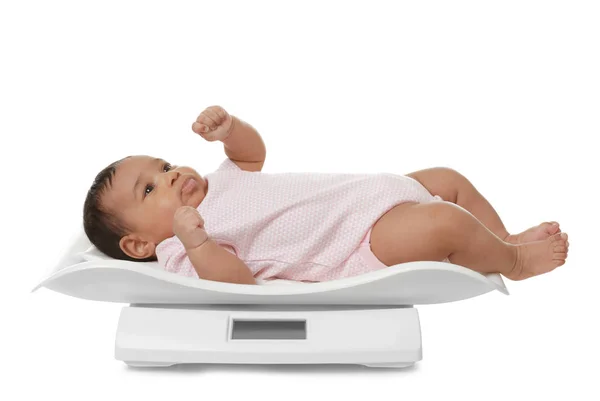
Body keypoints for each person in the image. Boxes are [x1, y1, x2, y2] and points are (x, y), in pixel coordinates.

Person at [83, 106, 569, 285]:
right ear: (138, 244)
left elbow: (252, 156)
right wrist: (196, 242)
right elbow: (234, 281)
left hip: (367, 194)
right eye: (149, 189)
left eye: (164, 166)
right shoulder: (180, 251)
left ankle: (500, 236)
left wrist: (231, 130)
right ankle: (514, 262)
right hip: (358, 240)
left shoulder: (220, 181)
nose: (169, 175)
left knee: (448, 178)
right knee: (445, 220)